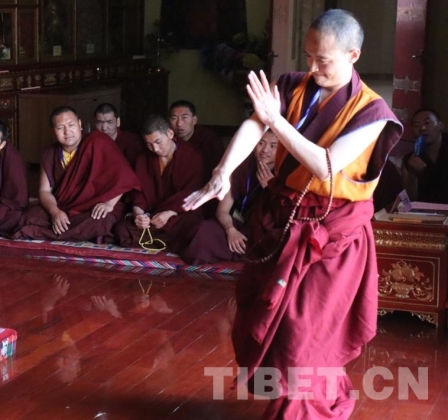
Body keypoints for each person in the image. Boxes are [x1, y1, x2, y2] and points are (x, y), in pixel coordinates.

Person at [182, 10, 403, 418]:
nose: (313, 68)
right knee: (268, 318)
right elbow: (255, 124)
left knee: (306, 330)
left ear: (353, 55)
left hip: (331, 235)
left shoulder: (373, 112)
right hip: (283, 219)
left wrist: (276, 121)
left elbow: (325, 165)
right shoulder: (291, 84)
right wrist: (223, 172)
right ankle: (318, 398)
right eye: (308, 56)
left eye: (324, 60)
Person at [14, 106, 140, 242]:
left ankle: (48, 233)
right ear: (53, 131)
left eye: (71, 125)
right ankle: (65, 233)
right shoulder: (50, 153)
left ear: (80, 125)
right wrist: (55, 212)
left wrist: (109, 204)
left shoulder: (97, 141)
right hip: (64, 206)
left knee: (101, 222)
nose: (67, 131)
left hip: (94, 207)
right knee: (30, 217)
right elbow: (44, 191)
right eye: (60, 128)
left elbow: (125, 177)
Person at [114, 115, 205, 254]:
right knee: (122, 230)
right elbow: (138, 192)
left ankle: (161, 240)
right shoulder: (143, 158)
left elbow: (193, 191)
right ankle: (166, 241)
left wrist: (170, 213)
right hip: (152, 216)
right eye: (149, 144)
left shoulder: (192, 156)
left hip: (178, 215)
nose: (155, 149)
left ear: (170, 134)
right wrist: (139, 216)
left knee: (194, 227)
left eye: (158, 142)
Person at [183, 131, 278, 264]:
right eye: (261, 143)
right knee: (204, 230)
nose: (265, 150)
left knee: (271, 242)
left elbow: (283, 216)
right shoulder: (240, 167)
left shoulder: (284, 174)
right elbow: (222, 210)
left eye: (273, 146)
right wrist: (231, 230)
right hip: (236, 224)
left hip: (261, 229)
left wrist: (271, 189)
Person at [400, 109, 448, 203]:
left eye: (427, 123)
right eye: (416, 126)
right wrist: (412, 175)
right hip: (426, 210)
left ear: (441, 126)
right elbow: (410, 200)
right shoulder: (410, 160)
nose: (422, 128)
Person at [168, 99, 224, 181]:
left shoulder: (208, 139)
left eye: (184, 117)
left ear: (194, 120)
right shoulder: (167, 139)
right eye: (174, 118)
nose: (179, 124)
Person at [93, 102, 145, 168]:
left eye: (109, 122)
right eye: (100, 122)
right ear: (94, 123)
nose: (104, 128)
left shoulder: (131, 142)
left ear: (118, 122)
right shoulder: (92, 143)